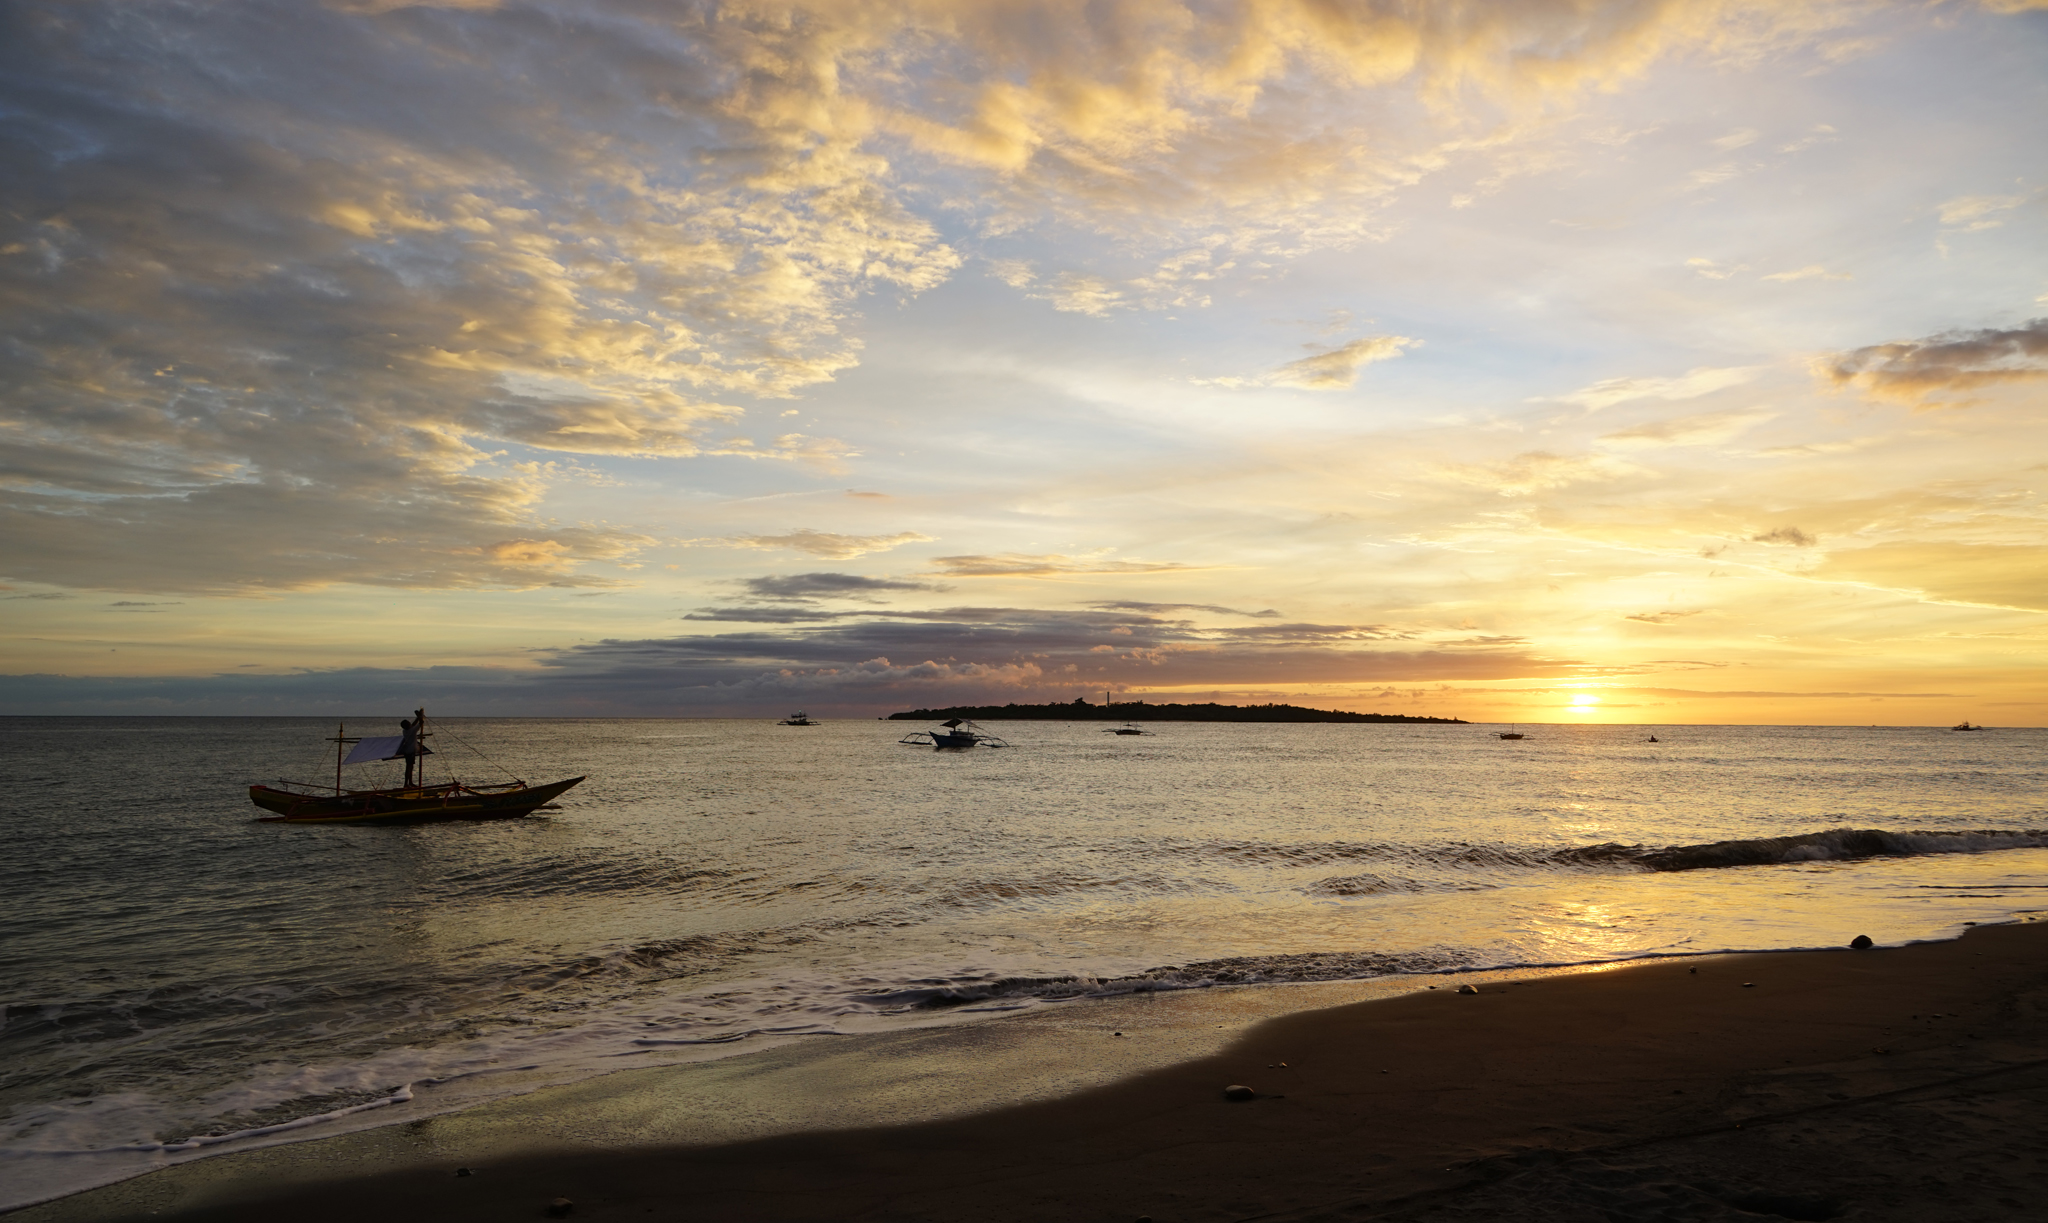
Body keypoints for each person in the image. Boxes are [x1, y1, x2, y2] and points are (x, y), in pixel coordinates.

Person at [398, 712, 421, 788]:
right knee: (409, 767)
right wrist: (420, 716)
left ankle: (409, 782)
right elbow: (421, 723)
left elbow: (413, 725)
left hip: (408, 751)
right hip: (410, 751)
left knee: (410, 767)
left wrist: (417, 717)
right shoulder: (412, 731)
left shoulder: (405, 731)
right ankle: (406, 784)